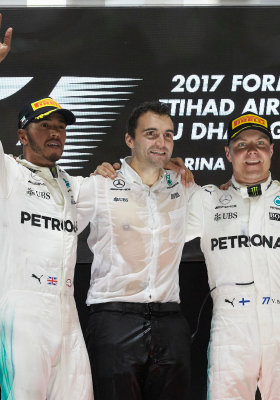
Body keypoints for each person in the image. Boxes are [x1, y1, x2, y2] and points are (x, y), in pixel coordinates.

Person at [0, 12, 92, 400]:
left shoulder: (75, 186)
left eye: (61, 127)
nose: (56, 133)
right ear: (22, 134)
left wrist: (166, 166)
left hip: (66, 312)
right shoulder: (4, 174)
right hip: (23, 311)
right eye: (45, 126)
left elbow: (128, 187)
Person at [184, 113, 280, 399]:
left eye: (260, 143)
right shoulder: (207, 200)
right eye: (241, 144)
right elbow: (160, 235)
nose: (251, 151)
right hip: (230, 328)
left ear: (271, 150)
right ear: (228, 153)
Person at [76, 101, 196, 400]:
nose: (161, 142)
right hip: (114, 317)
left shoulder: (184, 187)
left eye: (168, 135)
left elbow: (229, 205)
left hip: (169, 319)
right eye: (151, 134)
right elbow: (57, 230)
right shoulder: (100, 184)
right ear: (130, 140)